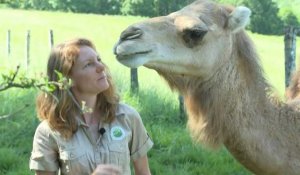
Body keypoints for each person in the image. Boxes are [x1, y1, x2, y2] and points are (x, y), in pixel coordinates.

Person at [30, 38, 153, 175]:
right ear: (66, 80)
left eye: (98, 60)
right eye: (88, 65)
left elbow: (143, 172)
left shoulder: (127, 117)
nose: (101, 67)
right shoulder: (49, 131)